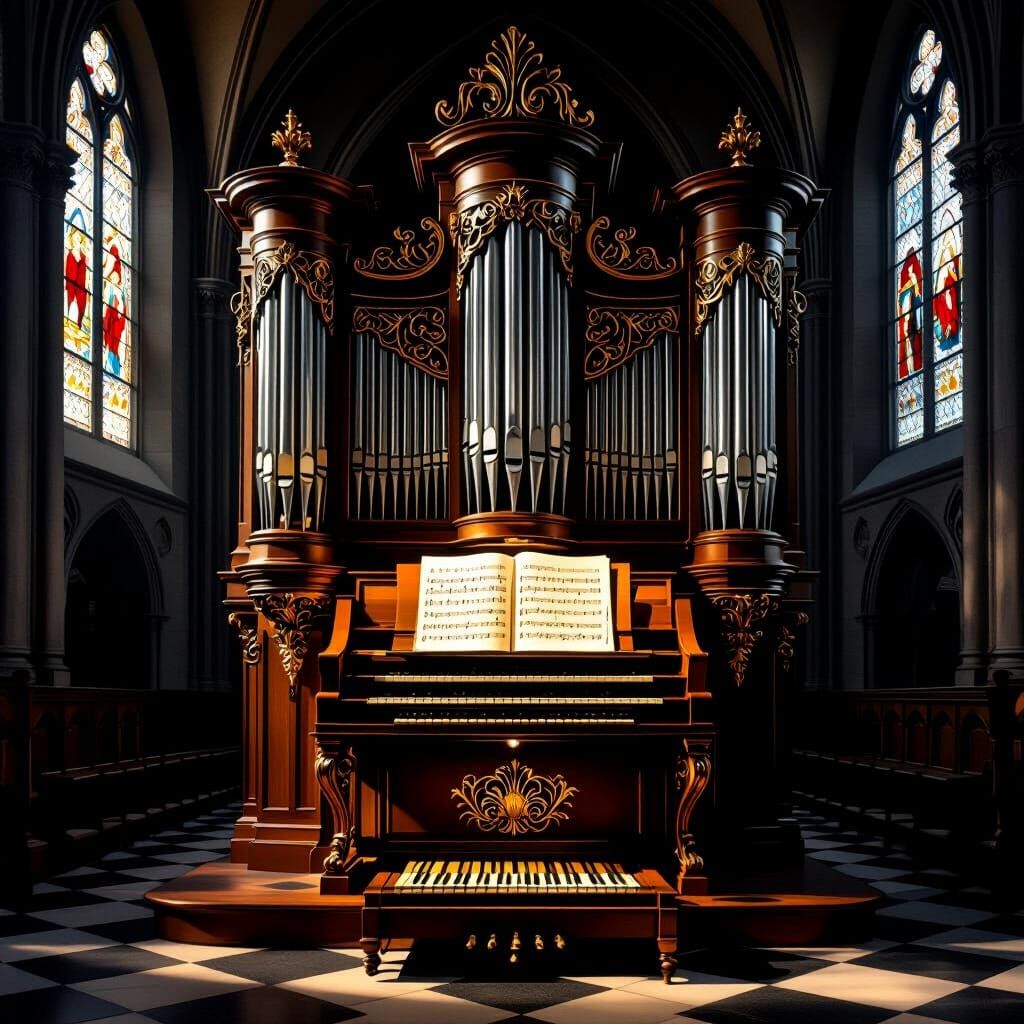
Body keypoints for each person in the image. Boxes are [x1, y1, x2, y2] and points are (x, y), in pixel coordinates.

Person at [102, 237, 127, 377]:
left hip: (117, 322)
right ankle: (108, 365)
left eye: (116, 277)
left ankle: (114, 368)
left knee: (115, 345)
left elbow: (123, 309)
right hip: (109, 319)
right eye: (112, 278)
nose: (114, 279)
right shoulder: (109, 289)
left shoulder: (119, 291)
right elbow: (106, 303)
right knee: (108, 342)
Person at [897, 246, 923, 379]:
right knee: (909, 342)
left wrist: (915, 283)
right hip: (910, 322)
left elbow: (918, 294)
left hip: (914, 320)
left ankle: (914, 367)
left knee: (913, 340)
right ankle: (911, 368)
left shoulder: (913, 275)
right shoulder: (905, 277)